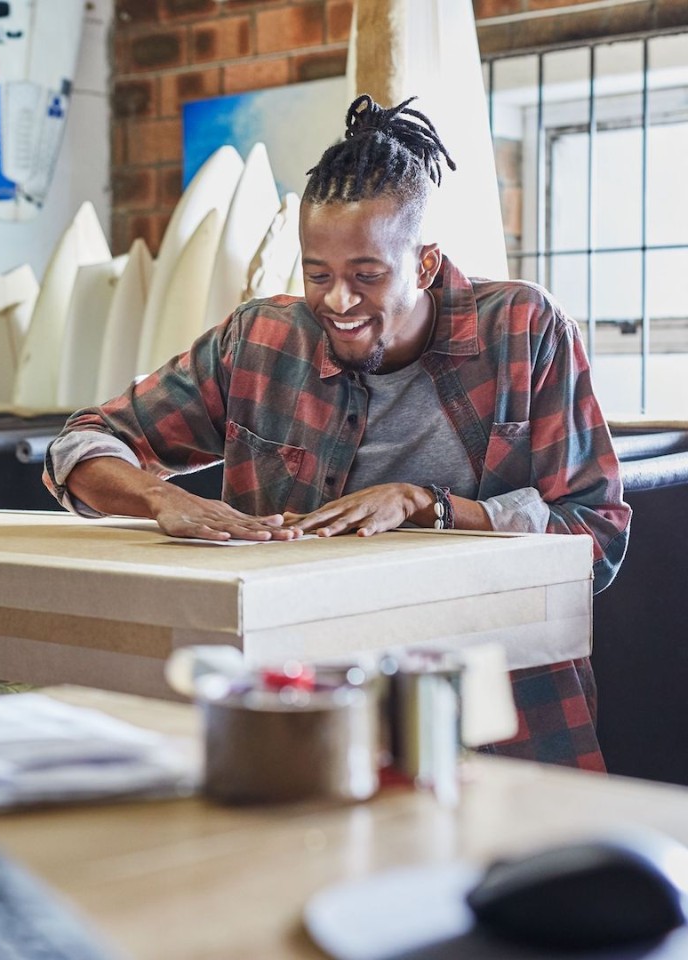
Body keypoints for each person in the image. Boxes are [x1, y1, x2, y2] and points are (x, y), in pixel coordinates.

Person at [43, 94, 631, 770]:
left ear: (426, 264)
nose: (337, 301)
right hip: (298, 714)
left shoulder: (525, 330)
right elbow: (80, 445)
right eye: (317, 274)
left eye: (366, 276)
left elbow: (597, 537)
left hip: (498, 713)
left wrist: (427, 506)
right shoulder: (259, 340)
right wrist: (160, 498)